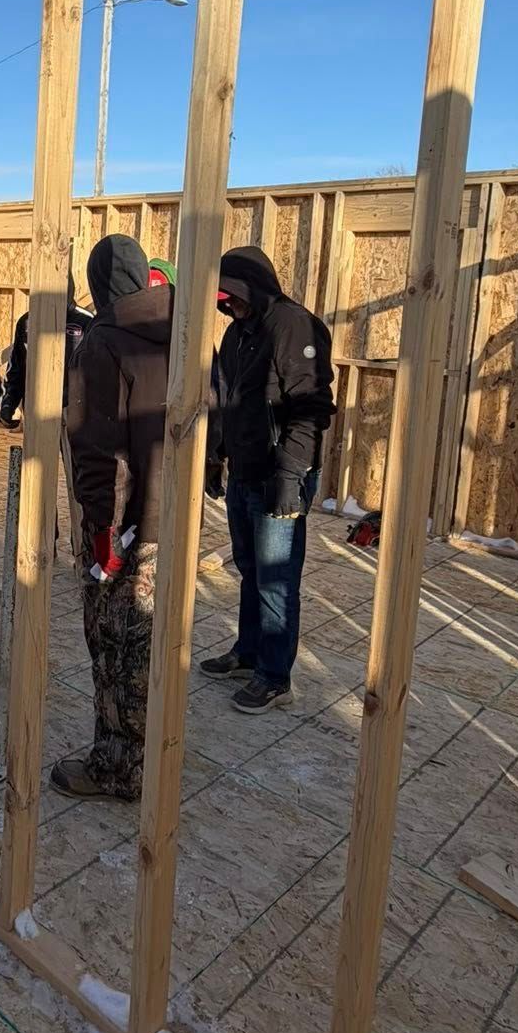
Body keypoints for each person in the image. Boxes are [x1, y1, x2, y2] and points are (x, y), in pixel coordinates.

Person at [52, 234, 172, 800]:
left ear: (100, 285)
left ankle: (116, 769)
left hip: (122, 529)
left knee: (114, 645)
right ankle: (152, 756)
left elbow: (99, 450)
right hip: (170, 520)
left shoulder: (102, 343)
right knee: (150, 644)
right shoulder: (187, 333)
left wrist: (101, 533)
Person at [200, 245, 334, 712]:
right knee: (250, 570)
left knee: (277, 578)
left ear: (253, 288)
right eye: (224, 300)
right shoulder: (239, 334)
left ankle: (275, 676)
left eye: (233, 297)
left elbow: (311, 409)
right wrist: (218, 455)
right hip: (244, 470)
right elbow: (231, 401)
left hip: (279, 473)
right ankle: (249, 652)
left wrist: (290, 476)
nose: (228, 306)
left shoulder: (293, 325)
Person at [0, 272, 93, 425]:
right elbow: (16, 366)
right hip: (36, 410)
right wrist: (8, 403)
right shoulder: (27, 322)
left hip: (74, 412)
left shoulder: (86, 322)